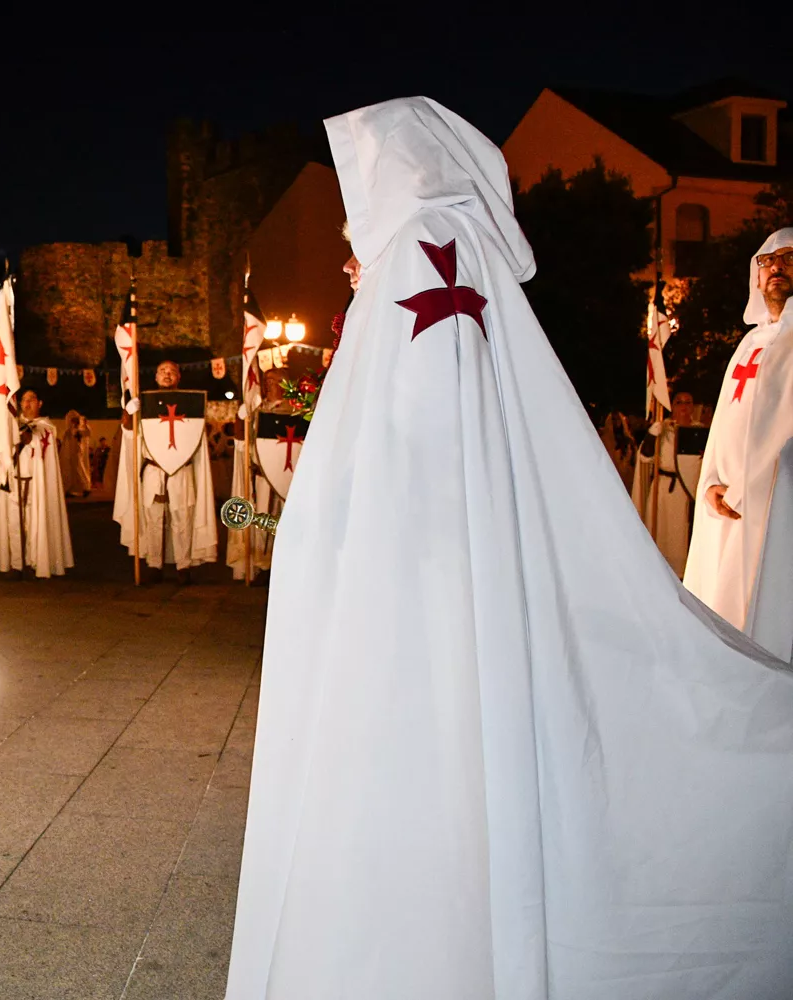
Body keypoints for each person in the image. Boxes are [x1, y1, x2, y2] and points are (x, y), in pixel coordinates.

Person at [227, 96, 793, 1000]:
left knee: (416, 776)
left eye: (355, 189)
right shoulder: (459, 251)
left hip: (416, 577)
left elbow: (402, 437)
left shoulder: (418, 254)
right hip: (456, 565)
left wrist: (328, 545)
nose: (346, 220)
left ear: (400, 171)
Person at [684, 228, 793, 660]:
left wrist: (760, 481)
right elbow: (725, 425)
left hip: (777, 502)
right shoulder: (748, 343)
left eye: (787, 258)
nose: (776, 267)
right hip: (728, 506)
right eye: (767, 261)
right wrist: (711, 481)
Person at [113, 360, 217, 583]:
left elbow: (195, 438)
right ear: (155, 377)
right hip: (154, 469)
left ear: (179, 377)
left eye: (172, 371)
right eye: (162, 371)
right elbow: (130, 433)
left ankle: (183, 566)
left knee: (183, 518)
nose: (167, 375)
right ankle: (154, 564)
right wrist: (128, 412)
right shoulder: (145, 403)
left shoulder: (190, 404)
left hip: (182, 469)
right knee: (153, 519)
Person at [0, 389, 73, 578]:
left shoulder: (46, 426)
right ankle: (17, 564)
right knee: (14, 524)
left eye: (32, 399)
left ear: (39, 403)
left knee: (35, 524)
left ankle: (36, 561)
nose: (27, 403)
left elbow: (40, 437)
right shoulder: (12, 426)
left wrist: (27, 438)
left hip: (36, 486)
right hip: (13, 484)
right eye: (24, 400)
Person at [632, 389, 702, 577]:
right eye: (679, 402)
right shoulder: (663, 429)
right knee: (662, 534)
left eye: (688, 402)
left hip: (688, 491)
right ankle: (657, 574)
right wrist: (652, 435)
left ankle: (683, 575)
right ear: (673, 406)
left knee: (682, 537)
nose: (684, 407)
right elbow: (646, 457)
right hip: (663, 490)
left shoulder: (700, 431)